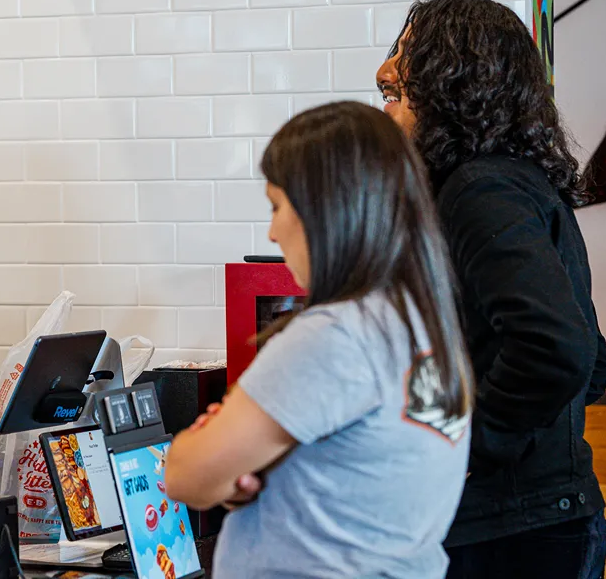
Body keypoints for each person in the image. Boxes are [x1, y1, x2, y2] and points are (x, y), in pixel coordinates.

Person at [164, 102, 474, 578]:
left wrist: (213, 446)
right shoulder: (422, 322)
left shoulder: (337, 335)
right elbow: (357, 467)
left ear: (325, 208)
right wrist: (255, 466)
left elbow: (186, 476)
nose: (271, 231)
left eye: (277, 206)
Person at [377, 0, 606, 578]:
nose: (387, 112)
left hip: (516, 532)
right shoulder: (514, 182)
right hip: (539, 518)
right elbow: (592, 363)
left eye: (398, 95)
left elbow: (562, 350)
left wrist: (470, 446)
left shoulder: (482, 192)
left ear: (451, 90)